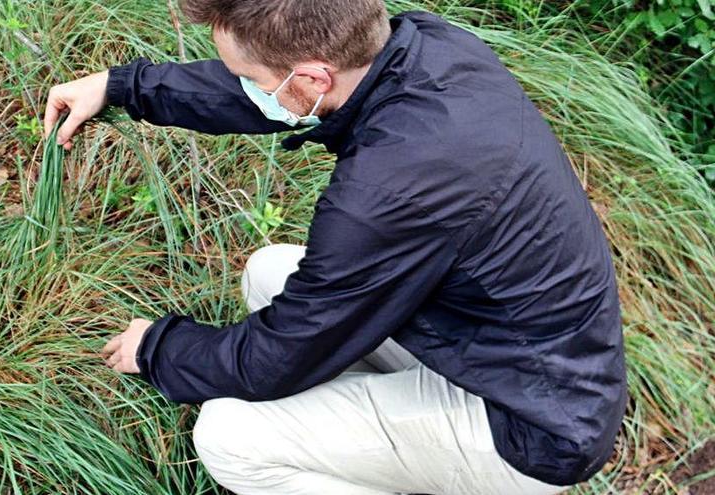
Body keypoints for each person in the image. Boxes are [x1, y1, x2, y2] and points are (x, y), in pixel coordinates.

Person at [44, 1, 628, 493]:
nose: (247, 88)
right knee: (269, 271)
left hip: (534, 423)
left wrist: (159, 349)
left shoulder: (388, 189)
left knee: (229, 436)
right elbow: (269, 84)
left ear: (313, 78)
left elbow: (275, 359)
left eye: (249, 77)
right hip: (505, 342)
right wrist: (122, 87)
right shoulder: (429, 46)